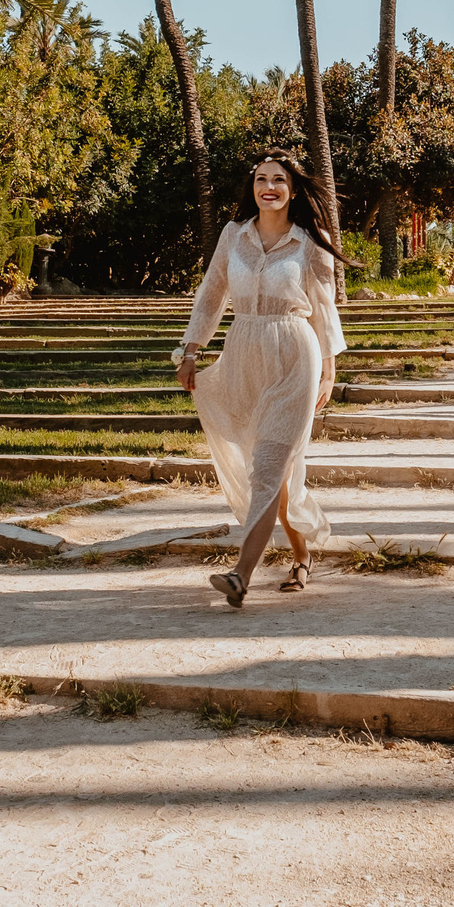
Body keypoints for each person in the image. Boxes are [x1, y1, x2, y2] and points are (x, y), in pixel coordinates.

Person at [175, 154, 347, 608]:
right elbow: (211, 294)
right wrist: (191, 351)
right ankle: (302, 554)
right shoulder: (234, 235)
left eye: (279, 180)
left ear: (293, 189)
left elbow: (324, 308)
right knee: (275, 472)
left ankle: (240, 575)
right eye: (260, 179)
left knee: (269, 468)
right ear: (252, 186)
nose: (268, 186)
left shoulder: (311, 240)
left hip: (295, 355)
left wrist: (329, 370)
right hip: (244, 355)